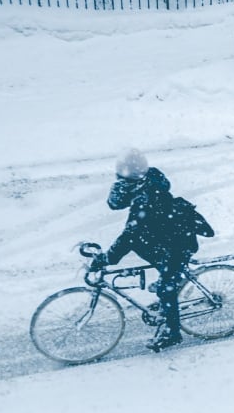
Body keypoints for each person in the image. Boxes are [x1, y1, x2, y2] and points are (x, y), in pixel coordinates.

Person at [91, 148, 213, 352]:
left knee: (167, 287)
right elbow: (115, 204)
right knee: (146, 250)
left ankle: (172, 333)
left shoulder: (146, 197)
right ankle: (168, 278)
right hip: (164, 237)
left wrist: (107, 259)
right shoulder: (143, 182)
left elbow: (129, 235)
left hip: (178, 243)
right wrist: (122, 186)